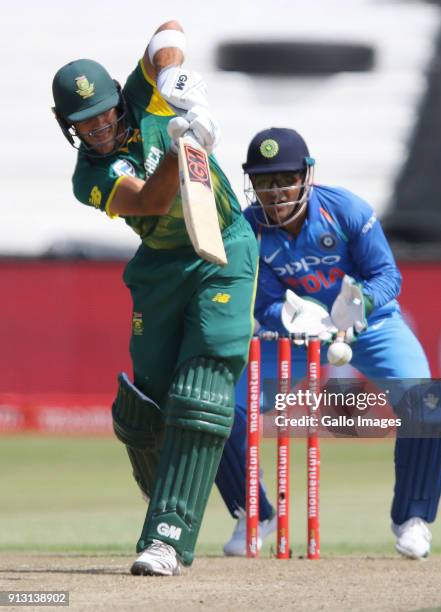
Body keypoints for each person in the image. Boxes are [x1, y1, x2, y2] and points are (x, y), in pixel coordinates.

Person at [51, 21, 261, 576]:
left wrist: (176, 83)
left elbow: (168, 30)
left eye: (104, 112)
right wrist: (182, 145)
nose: (98, 126)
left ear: (120, 100)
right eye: (83, 122)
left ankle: (167, 536)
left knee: (202, 388)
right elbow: (149, 200)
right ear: (67, 128)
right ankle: (166, 484)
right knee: (145, 406)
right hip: (161, 266)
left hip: (221, 247)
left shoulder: (143, 94)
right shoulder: (90, 175)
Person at [229, 126, 441, 560]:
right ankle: (253, 514)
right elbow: (261, 303)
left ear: (306, 175)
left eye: (284, 180)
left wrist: (361, 302)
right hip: (294, 336)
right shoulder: (248, 229)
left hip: (368, 327)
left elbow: (388, 276)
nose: (274, 193)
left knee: (430, 403)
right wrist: (292, 318)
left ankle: (412, 518)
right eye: (263, 182)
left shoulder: (346, 209)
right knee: (221, 410)